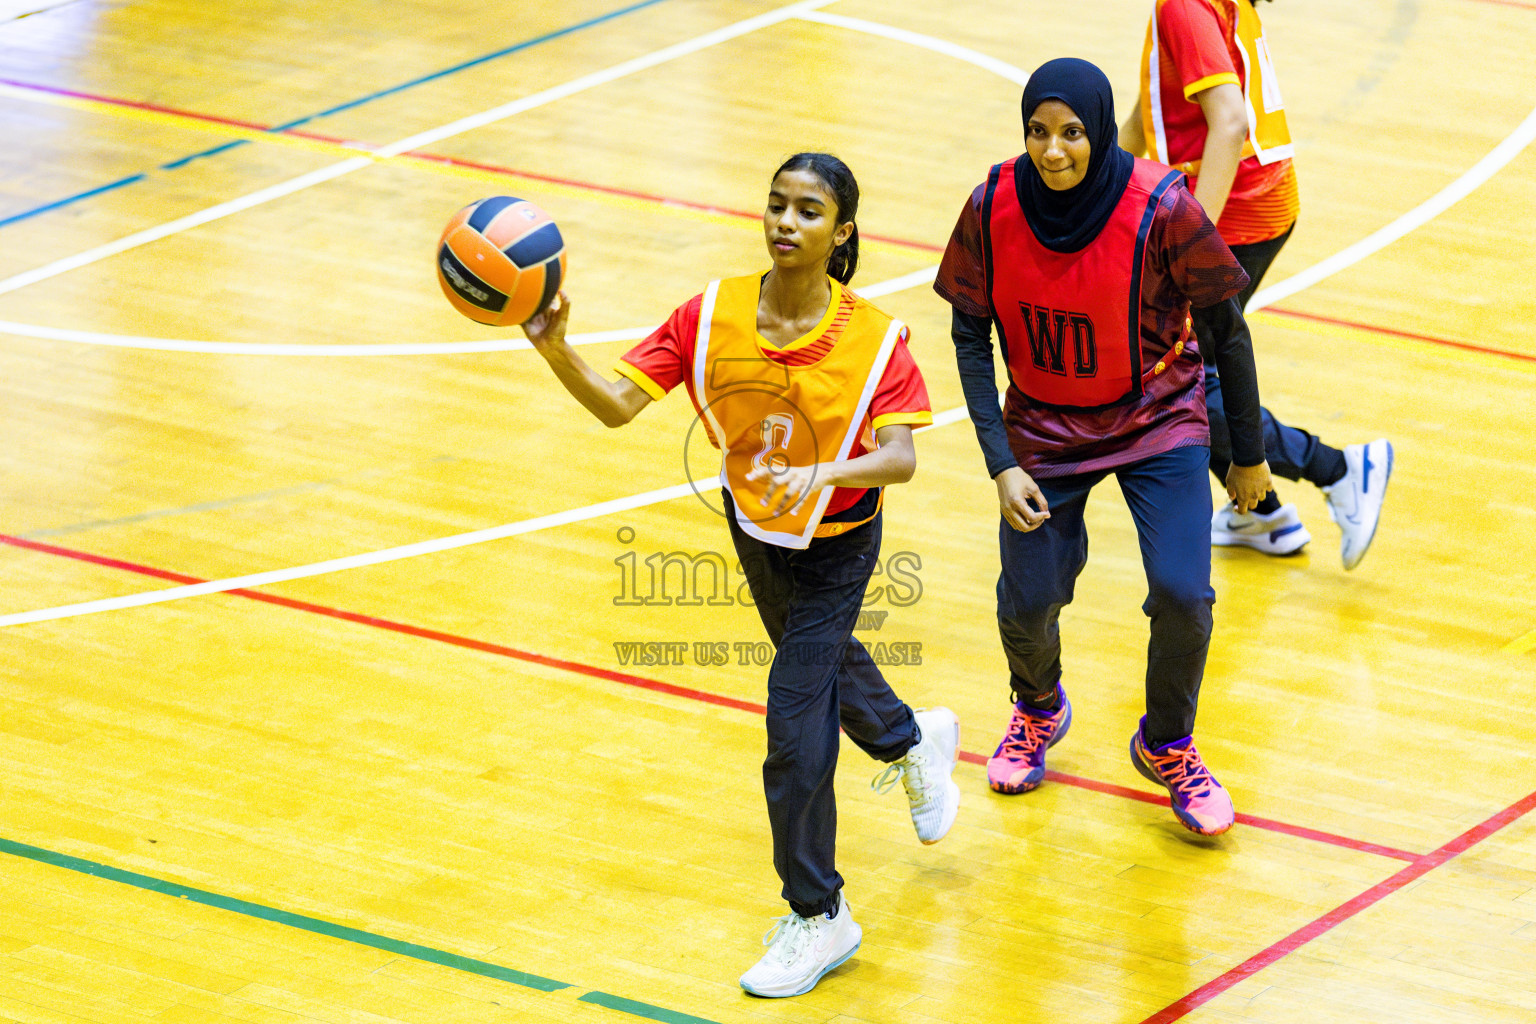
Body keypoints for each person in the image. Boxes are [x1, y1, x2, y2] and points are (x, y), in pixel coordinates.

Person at [519, 152, 960, 998]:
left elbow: (900, 459)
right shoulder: (710, 313)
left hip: (840, 541)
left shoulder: (876, 338)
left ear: (842, 234)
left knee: (794, 722)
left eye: (807, 212)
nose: (786, 223)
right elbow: (618, 405)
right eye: (776, 206)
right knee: (821, 666)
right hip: (757, 528)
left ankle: (819, 913)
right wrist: (556, 349)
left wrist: (826, 475)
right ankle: (913, 741)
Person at [935, 57, 1271, 836]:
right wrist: (1000, 460)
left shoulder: (1162, 206)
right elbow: (966, 333)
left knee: (1186, 595)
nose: (1054, 151)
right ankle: (1038, 708)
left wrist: (1247, 454)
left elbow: (1227, 330)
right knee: (1028, 602)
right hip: (1044, 434)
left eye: (1074, 133)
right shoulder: (991, 204)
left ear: (1098, 130)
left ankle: (1167, 743)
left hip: (1158, 419)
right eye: (1038, 133)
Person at [1120, 0, 1392, 569]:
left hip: (1238, 214)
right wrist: (1103, 187)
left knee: (1183, 383)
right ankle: (1258, 513)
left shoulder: (1181, 5)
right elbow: (1155, 107)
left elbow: (1230, 120)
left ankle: (1339, 470)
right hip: (1263, 202)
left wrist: (1195, 244)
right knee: (1197, 368)